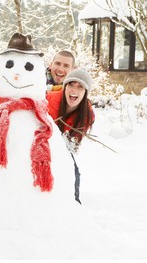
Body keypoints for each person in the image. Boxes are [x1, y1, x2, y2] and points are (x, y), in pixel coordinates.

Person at [46, 68, 95, 204]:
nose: (74, 90)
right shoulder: (48, 100)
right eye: (71, 84)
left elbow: (72, 145)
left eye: (80, 87)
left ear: (85, 92)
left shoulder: (87, 115)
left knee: (74, 175)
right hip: (40, 146)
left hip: (61, 149)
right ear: (65, 86)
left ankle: (73, 207)